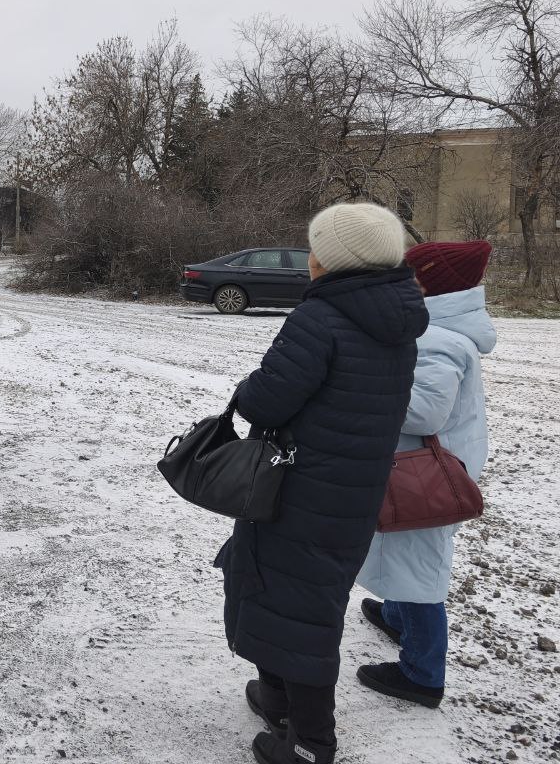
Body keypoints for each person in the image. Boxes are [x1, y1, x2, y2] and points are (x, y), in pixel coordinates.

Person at [215, 202, 429, 764]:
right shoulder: (398, 319)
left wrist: (247, 386)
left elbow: (265, 399)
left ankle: (311, 741)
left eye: (316, 248)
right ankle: (278, 697)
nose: (309, 258)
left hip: (298, 488)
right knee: (300, 595)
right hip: (352, 492)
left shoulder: (320, 317)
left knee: (292, 602)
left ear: (335, 262)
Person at [354, 240, 495, 708]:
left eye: (410, 277)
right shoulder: (436, 329)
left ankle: (422, 675)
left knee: (419, 569)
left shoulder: (438, 338)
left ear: (429, 284)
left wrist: (367, 383)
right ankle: (397, 616)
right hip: (426, 466)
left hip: (426, 473)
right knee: (404, 551)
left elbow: (424, 413)